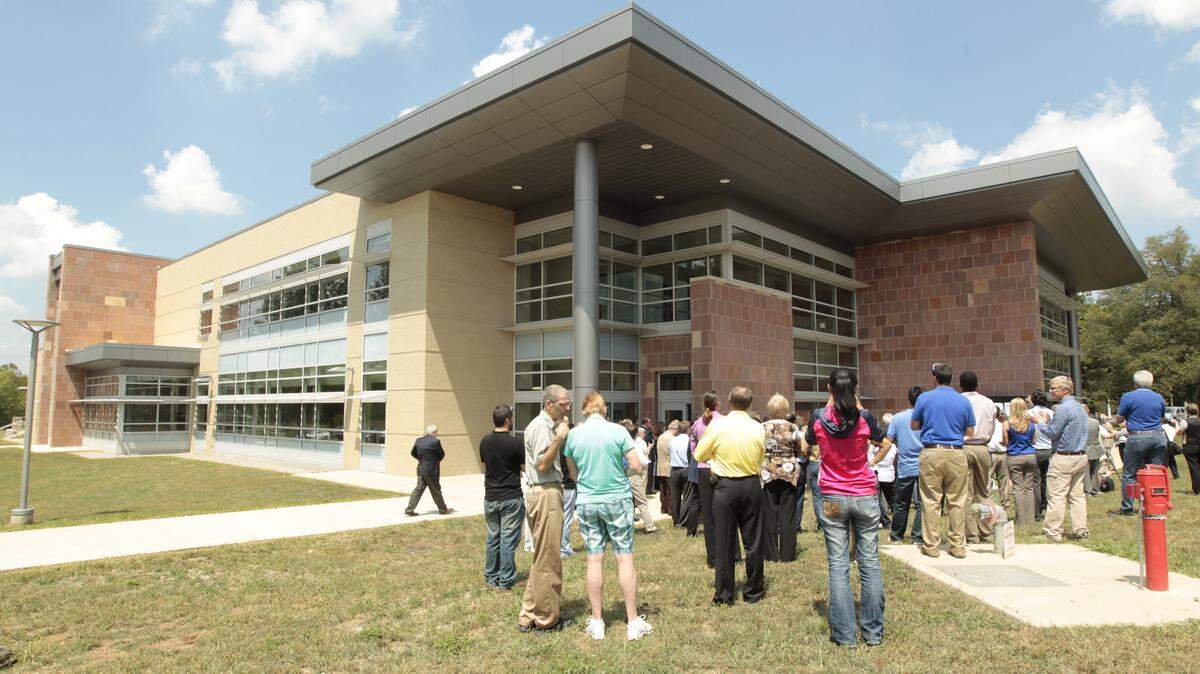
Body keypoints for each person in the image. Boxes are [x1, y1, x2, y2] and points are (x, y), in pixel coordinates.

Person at [564, 394, 654, 641]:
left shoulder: (574, 435)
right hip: (617, 499)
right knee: (624, 558)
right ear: (604, 410)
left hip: (587, 501)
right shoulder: (617, 431)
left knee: (594, 559)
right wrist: (619, 469)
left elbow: (573, 473)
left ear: (584, 411)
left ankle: (597, 620)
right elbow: (636, 465)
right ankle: (633, 620)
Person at [807, 369, 886, 647]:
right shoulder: (864, 417)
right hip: (865, 494)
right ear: (855, 389)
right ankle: (873, 633)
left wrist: (833, 402)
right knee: (869, 563)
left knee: (838, 565)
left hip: (832, 496)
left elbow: (811, 441)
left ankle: (844, 636)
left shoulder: (818, 417)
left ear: (829, 388)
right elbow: (881, 438)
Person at [694, 386, 767, 606]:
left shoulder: (718, 425)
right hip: (751, 483)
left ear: (729, 401)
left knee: (724, 540)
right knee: (754, 540)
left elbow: (699, 454)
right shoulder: (757, 427)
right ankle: (754, 590)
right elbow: (761, 456)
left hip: (725, 486)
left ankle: (724, 594)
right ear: (750, 403)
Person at [517, 385, 571, 633]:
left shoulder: (543, 425)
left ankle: (528, 613)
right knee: (549, 559)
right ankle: (547, 618)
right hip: (546, 492)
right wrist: (560, 437)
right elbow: (542, 464)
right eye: (563, 403)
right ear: (548, 404)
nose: (567, 407)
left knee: (541, 557)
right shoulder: (542, 427)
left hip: (545, 492)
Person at [912, 363, 975, 559]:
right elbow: (970, 432)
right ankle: (957, 546)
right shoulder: (963, 401)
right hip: (956, 452)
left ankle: (931, 546)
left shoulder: (924, 397)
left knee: (931, 500)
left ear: (934, 378)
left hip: (932, 452)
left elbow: (914, 424)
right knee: (957, 500)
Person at [1031, 376, 1089, 542]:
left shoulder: (1062, 408)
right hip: (1080, 455)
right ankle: (1081, 529)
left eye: (1054, 388)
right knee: (1077, 496)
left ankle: (1053, 531)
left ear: (1065, 390)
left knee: (1056, 495)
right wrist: (1049, 422)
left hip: (1064, 457)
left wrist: (1039, 422)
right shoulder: (1079, 408)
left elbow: (1051, 433)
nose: (1051, 391)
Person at [480, 405, 525, 590]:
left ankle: (491, 577)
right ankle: (506, 579)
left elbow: (484, 465)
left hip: (490, 496)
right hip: (510, 497)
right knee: (508, 539)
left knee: (493, 537)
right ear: (507, 420)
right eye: (512, 418)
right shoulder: (516, 443)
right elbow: (524, 468)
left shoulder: (484, 441)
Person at [1112, 370, 1168, 517]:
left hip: (1137, 437)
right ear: (1151, 382)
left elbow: (1119, 419)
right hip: (1157, 437)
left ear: (1135, 382)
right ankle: (1153, 506)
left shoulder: (1128, 396)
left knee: (1130, 474)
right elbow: (1162, 418)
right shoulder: (1159, 397)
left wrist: (1109, 420)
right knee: (1155, 472)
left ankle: (1127, 508)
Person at [880, 386, 924, 543]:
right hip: (924, 465)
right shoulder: (927, 417)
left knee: (901, 503)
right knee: (922, 504)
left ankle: (896, 535)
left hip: (905, 465)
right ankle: (918, 536)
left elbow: (888, 441)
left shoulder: (898, 418)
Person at [761, 393, 802, 563]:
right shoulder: (793, 428)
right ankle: (787, 554)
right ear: (785, 409)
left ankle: (770, 554)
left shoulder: (762, 427)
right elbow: (800, 449)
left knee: (769, 513)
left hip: (768, 471)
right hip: (788, 470)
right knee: (788, 513)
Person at [959, 372, 998, 544]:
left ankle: (971, 534)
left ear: (960, 385)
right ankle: (987, 532)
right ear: (977, 385)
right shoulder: (988, 402)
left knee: (966, 493)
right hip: (983, 447)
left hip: (964, 447)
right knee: (984, 491)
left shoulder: (959, 400)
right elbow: (993, 424)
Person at [691, 391, 723, 567]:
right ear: (717, 403)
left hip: (703, 469)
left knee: (709, 515)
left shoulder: (697, 424)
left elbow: (693, 447)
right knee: (727, 513)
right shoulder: (723, 421)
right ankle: (732, 554)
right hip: (721, 468)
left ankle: (712, 558)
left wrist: (701, 458)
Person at [1002, 397, 1040, 527]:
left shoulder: (1008, 423)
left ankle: (1021, 520)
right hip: (1030, 455)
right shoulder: (1031, 424)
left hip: (1014, 456)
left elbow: (1006, 442)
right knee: (1029, 487)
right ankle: (1031, 519)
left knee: (1018, 488)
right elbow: (1034, 441)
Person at [406, 425, 453, 516]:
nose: (436, 435)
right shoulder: (436, 442)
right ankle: (443, 509)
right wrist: (433, 461)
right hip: (432, 470)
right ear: (434, 433)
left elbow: (413, 453)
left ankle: (409, 509)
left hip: (421, 469)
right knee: (435, 489)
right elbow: (441, 455)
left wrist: (422, 460)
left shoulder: (418, 440)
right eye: (436, 433)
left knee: (418, 489)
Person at [622, 420, 657, 534]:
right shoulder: (627, 444)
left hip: (641, 470)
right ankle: (649, 526)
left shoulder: (638, 441)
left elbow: (643, 453)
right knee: (641, 500)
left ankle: (630, 525)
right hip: (634, 472)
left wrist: (649, 449)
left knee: (636, 499)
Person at [1029, 390, 1054, 521]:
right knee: (1046, 479)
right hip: (1048, 448)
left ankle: (1037, 510)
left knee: (1035, 481)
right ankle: (1046, 503)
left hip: (1034, 449)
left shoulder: (1029, 413)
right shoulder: (1051, 413)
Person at [667, 420, 694, 528]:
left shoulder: (673, 440)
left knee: (675, 496)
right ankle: (683, 519)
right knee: (687, 495)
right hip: (686, 469)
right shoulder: (689, 440)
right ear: (688, 429)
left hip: (674, 470)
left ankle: (676, 519)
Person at [792, 411, 811, 533]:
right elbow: (805, 451)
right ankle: (797, 525)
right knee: (799, 497)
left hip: (788, 467)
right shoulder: (801, 435)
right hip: (801, 465)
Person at [559, 445, 578, 557]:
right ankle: (564, 549)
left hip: (557, 486)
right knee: (566, 519)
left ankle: (559, 547)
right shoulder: (569, 448)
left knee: (558, 520)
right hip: (568, 486)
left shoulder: (556, 447)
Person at [654, 421, 674, 517]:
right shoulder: (671, 438)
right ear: (674, 429)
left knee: (663, 490)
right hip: (669, 466)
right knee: (670, 490)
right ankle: (671, 510)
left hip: (660, 466)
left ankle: (664, 508)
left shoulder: (661, 437)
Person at [1084, 406, 1104, 496]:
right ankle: (1095, 489)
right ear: (1088, 410)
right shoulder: (1096, 422)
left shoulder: (1079, 423)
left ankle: (1088, 491)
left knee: (1086, 471)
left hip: (1084, 449)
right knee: (1095, 470)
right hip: (1095, 448)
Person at [1182, 403, 1200, 495]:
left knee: (1194, 468)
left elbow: (1179, 432)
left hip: (1190, 446)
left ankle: (1197, 489)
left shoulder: (1185, 421)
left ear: (1187, 411)